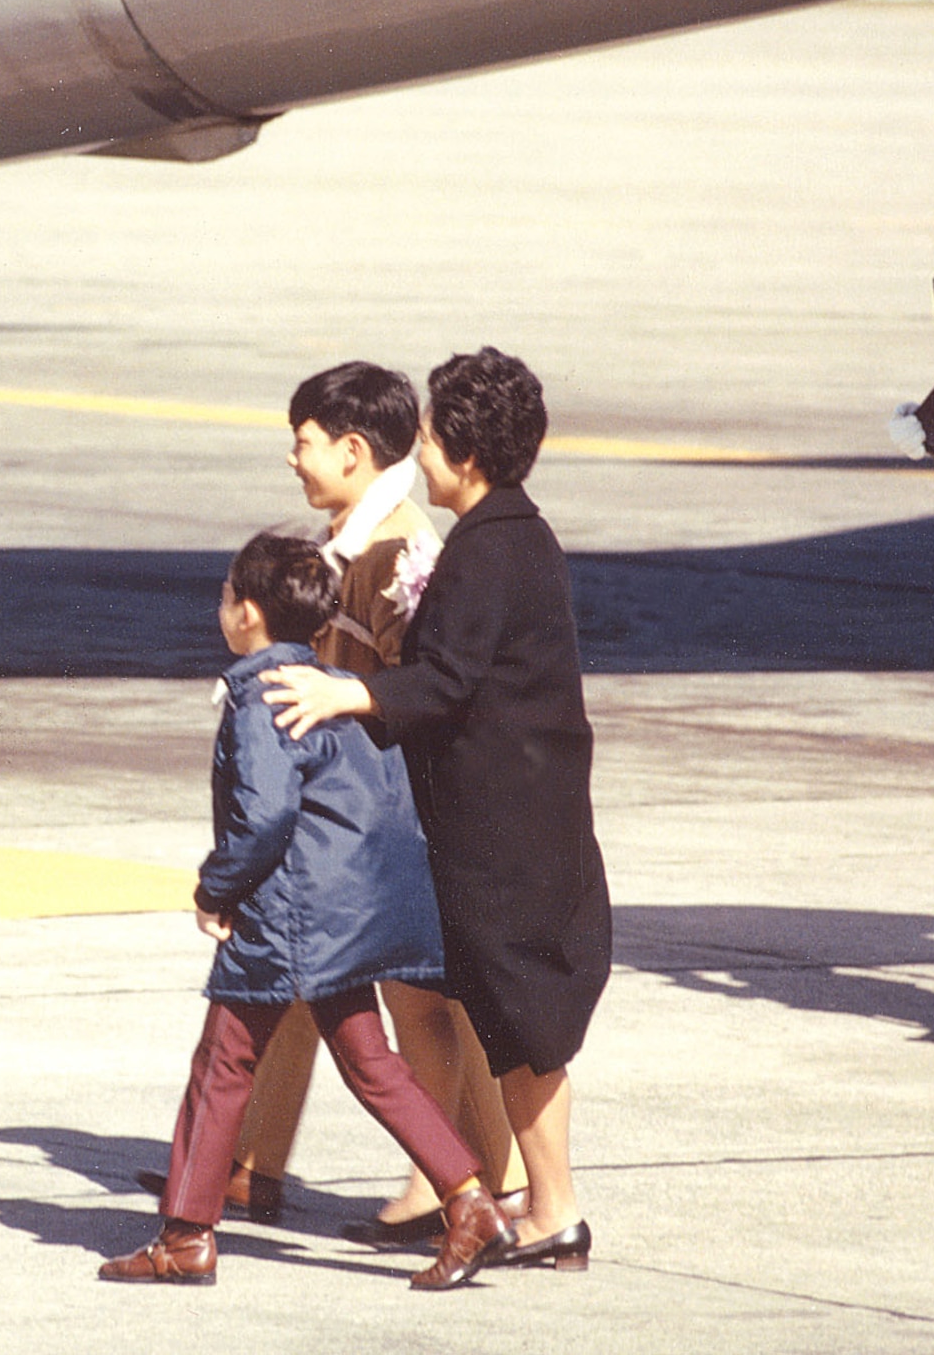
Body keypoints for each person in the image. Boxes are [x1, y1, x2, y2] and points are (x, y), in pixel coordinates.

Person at [268, 347, 611, 1272]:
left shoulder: (488, 551)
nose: (418, 456)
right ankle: (545, 1206)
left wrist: (352, 697)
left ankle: (554, 1207)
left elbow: (447, 681)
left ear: (462, 450)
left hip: (506, 832)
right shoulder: (513, 535)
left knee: (523, 1026)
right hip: (525, 820)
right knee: (519, 1025)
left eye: (426, 439)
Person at [99, 533, 517, 1290]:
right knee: (370, 1061)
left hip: (291, 915)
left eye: (227, 596)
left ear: (248, 615)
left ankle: (186, 1234)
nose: (221, 607)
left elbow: (261, 820)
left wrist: (215, 890)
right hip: (348, 911)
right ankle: (471, 1200)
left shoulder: (263, 698)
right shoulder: (330, 686)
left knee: (224, 1061)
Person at [207, 363, 527, 1245]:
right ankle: (251, 1166)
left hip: (397, 809)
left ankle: (474, 1182)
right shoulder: (355, 535)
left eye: (303, 442)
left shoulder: (401, 551)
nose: (291, 459)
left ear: (351, 451)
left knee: (422, 1007)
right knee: (321, 986)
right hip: (357, 806)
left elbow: (425, 686)